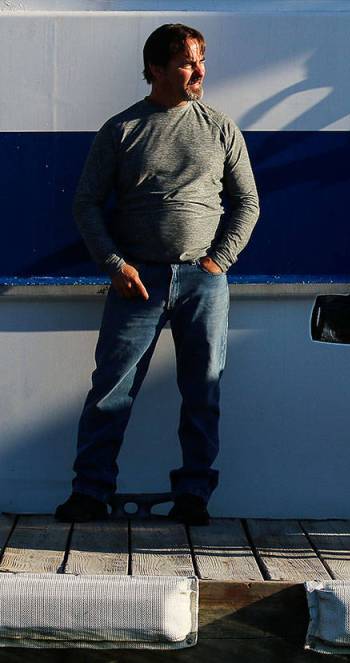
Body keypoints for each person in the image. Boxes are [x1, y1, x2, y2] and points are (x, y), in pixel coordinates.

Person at [55, 23, 259, 526]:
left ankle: (194, 494)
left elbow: (247, 203)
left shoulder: (220, 128)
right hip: (136, 280)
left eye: (201, 61)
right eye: (188, 63)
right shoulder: (121, 130)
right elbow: (86, 204)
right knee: (111, 389)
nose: (200, 72)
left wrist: (217, 263)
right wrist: (114, 265)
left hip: (203, 282)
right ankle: (90, 492)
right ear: (155, 69)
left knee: (202, 390)